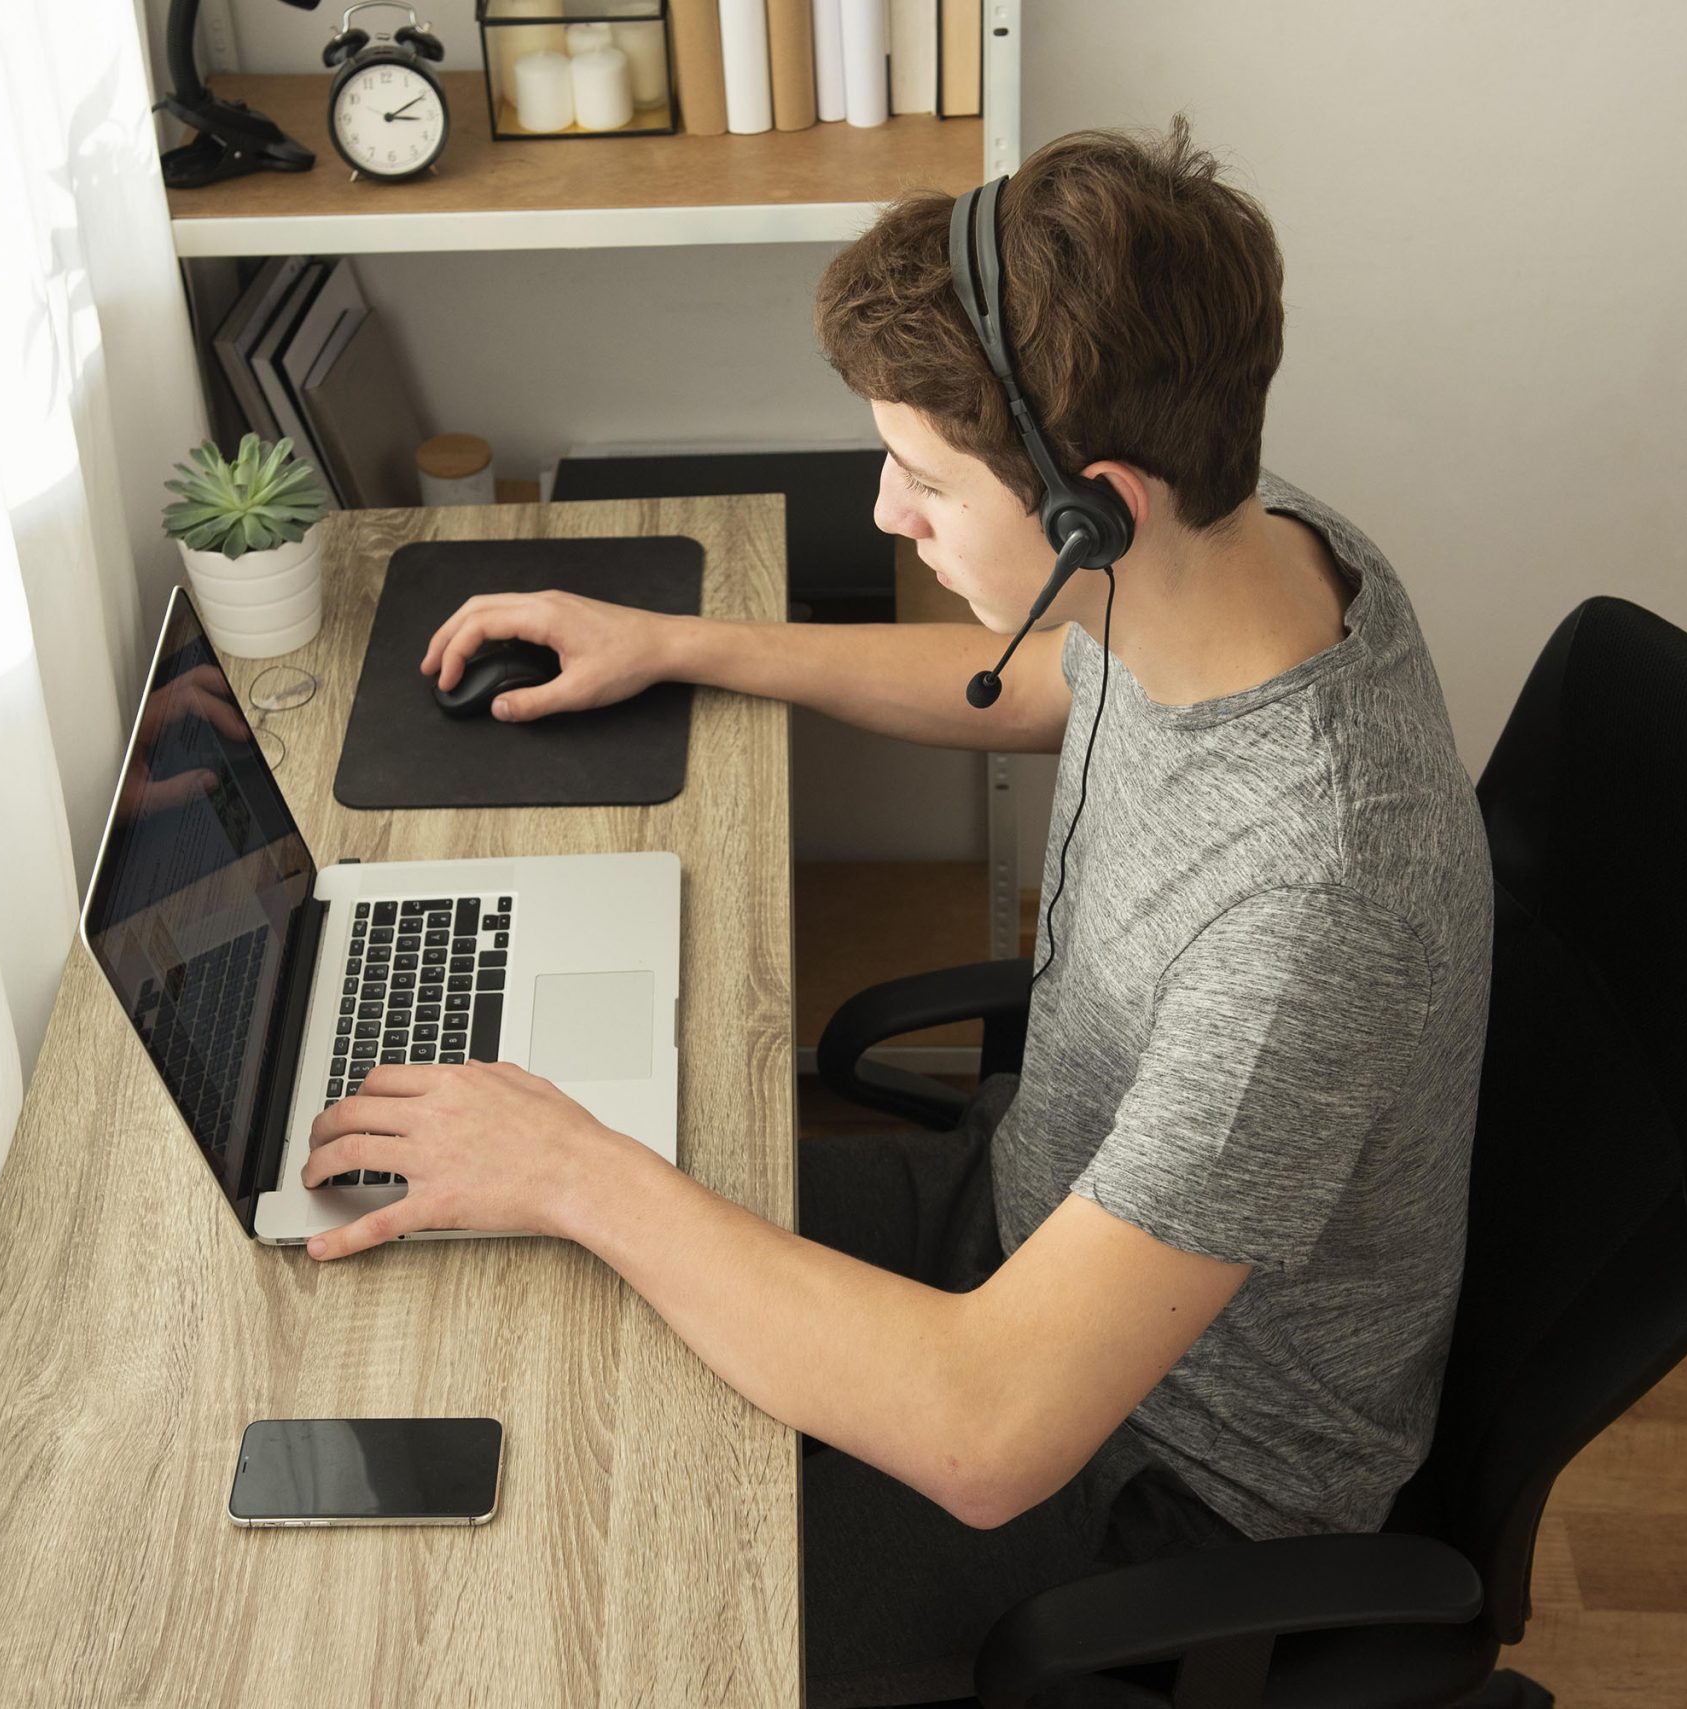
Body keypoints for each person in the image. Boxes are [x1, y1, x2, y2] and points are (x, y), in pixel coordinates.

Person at [299, 121, 1493, 1707]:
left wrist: (571, 1164)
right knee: (534, 1296)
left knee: (582, 1589)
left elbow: (991, 1434)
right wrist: (686, 640)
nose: (883, 512)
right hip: (1028, 1213)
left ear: (1097, 511)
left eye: (923, 477)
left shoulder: (1307, 919)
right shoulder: (1251, 546)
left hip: (1149, 1473)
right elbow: (1053, 676)